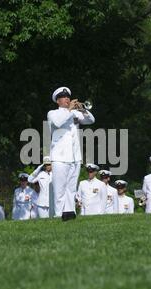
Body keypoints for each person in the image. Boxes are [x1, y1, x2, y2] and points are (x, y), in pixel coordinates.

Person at [47, 86, 95, 221]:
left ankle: (70, 214)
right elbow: (58, 122)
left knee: (71, 189)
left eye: (68, 96)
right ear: (58, 101)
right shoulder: (53, 113)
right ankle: (58, 215)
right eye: (63, 97)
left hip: (75, 157)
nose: (67, 99)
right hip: (60, 157)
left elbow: (91, 120)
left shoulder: (74, 113)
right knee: (59, 190)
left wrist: (82, 108)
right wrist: (69, 110)